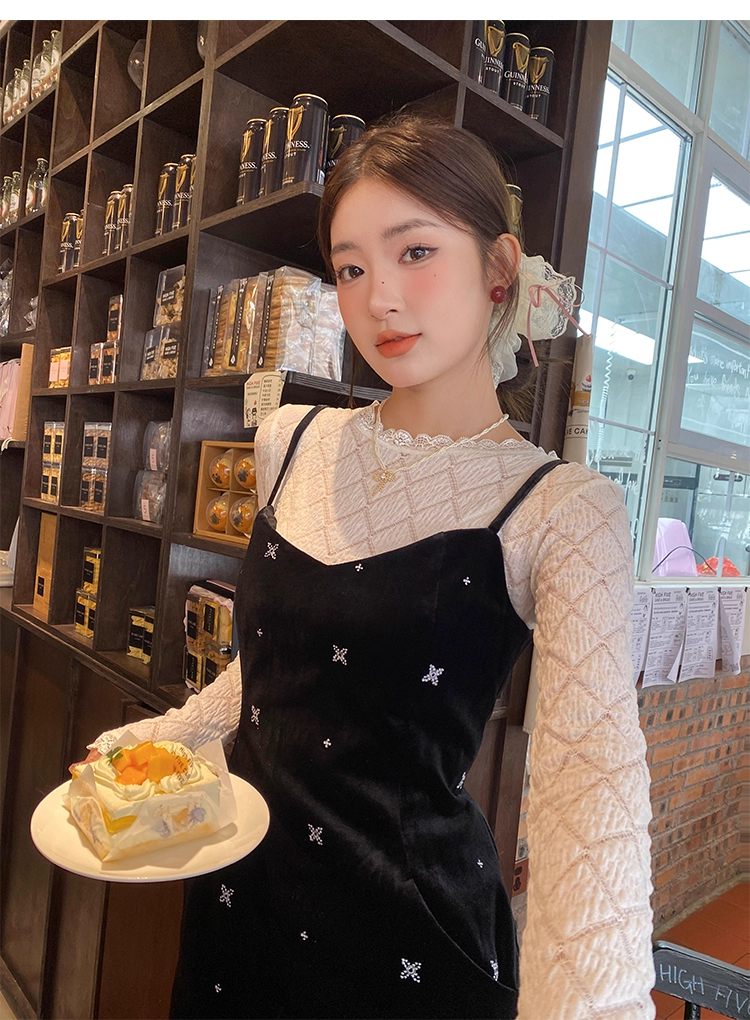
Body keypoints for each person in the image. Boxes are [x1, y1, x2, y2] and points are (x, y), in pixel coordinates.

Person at [80, 117, 656, 1019]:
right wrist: (170, 740)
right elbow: (281, 664)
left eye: (415, 251)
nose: (379, 298)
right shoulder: (289, 440)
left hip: (405, 944)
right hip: (239, 899)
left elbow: (593, 797)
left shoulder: (562, 509)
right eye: (350, 268)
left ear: (499, 268)